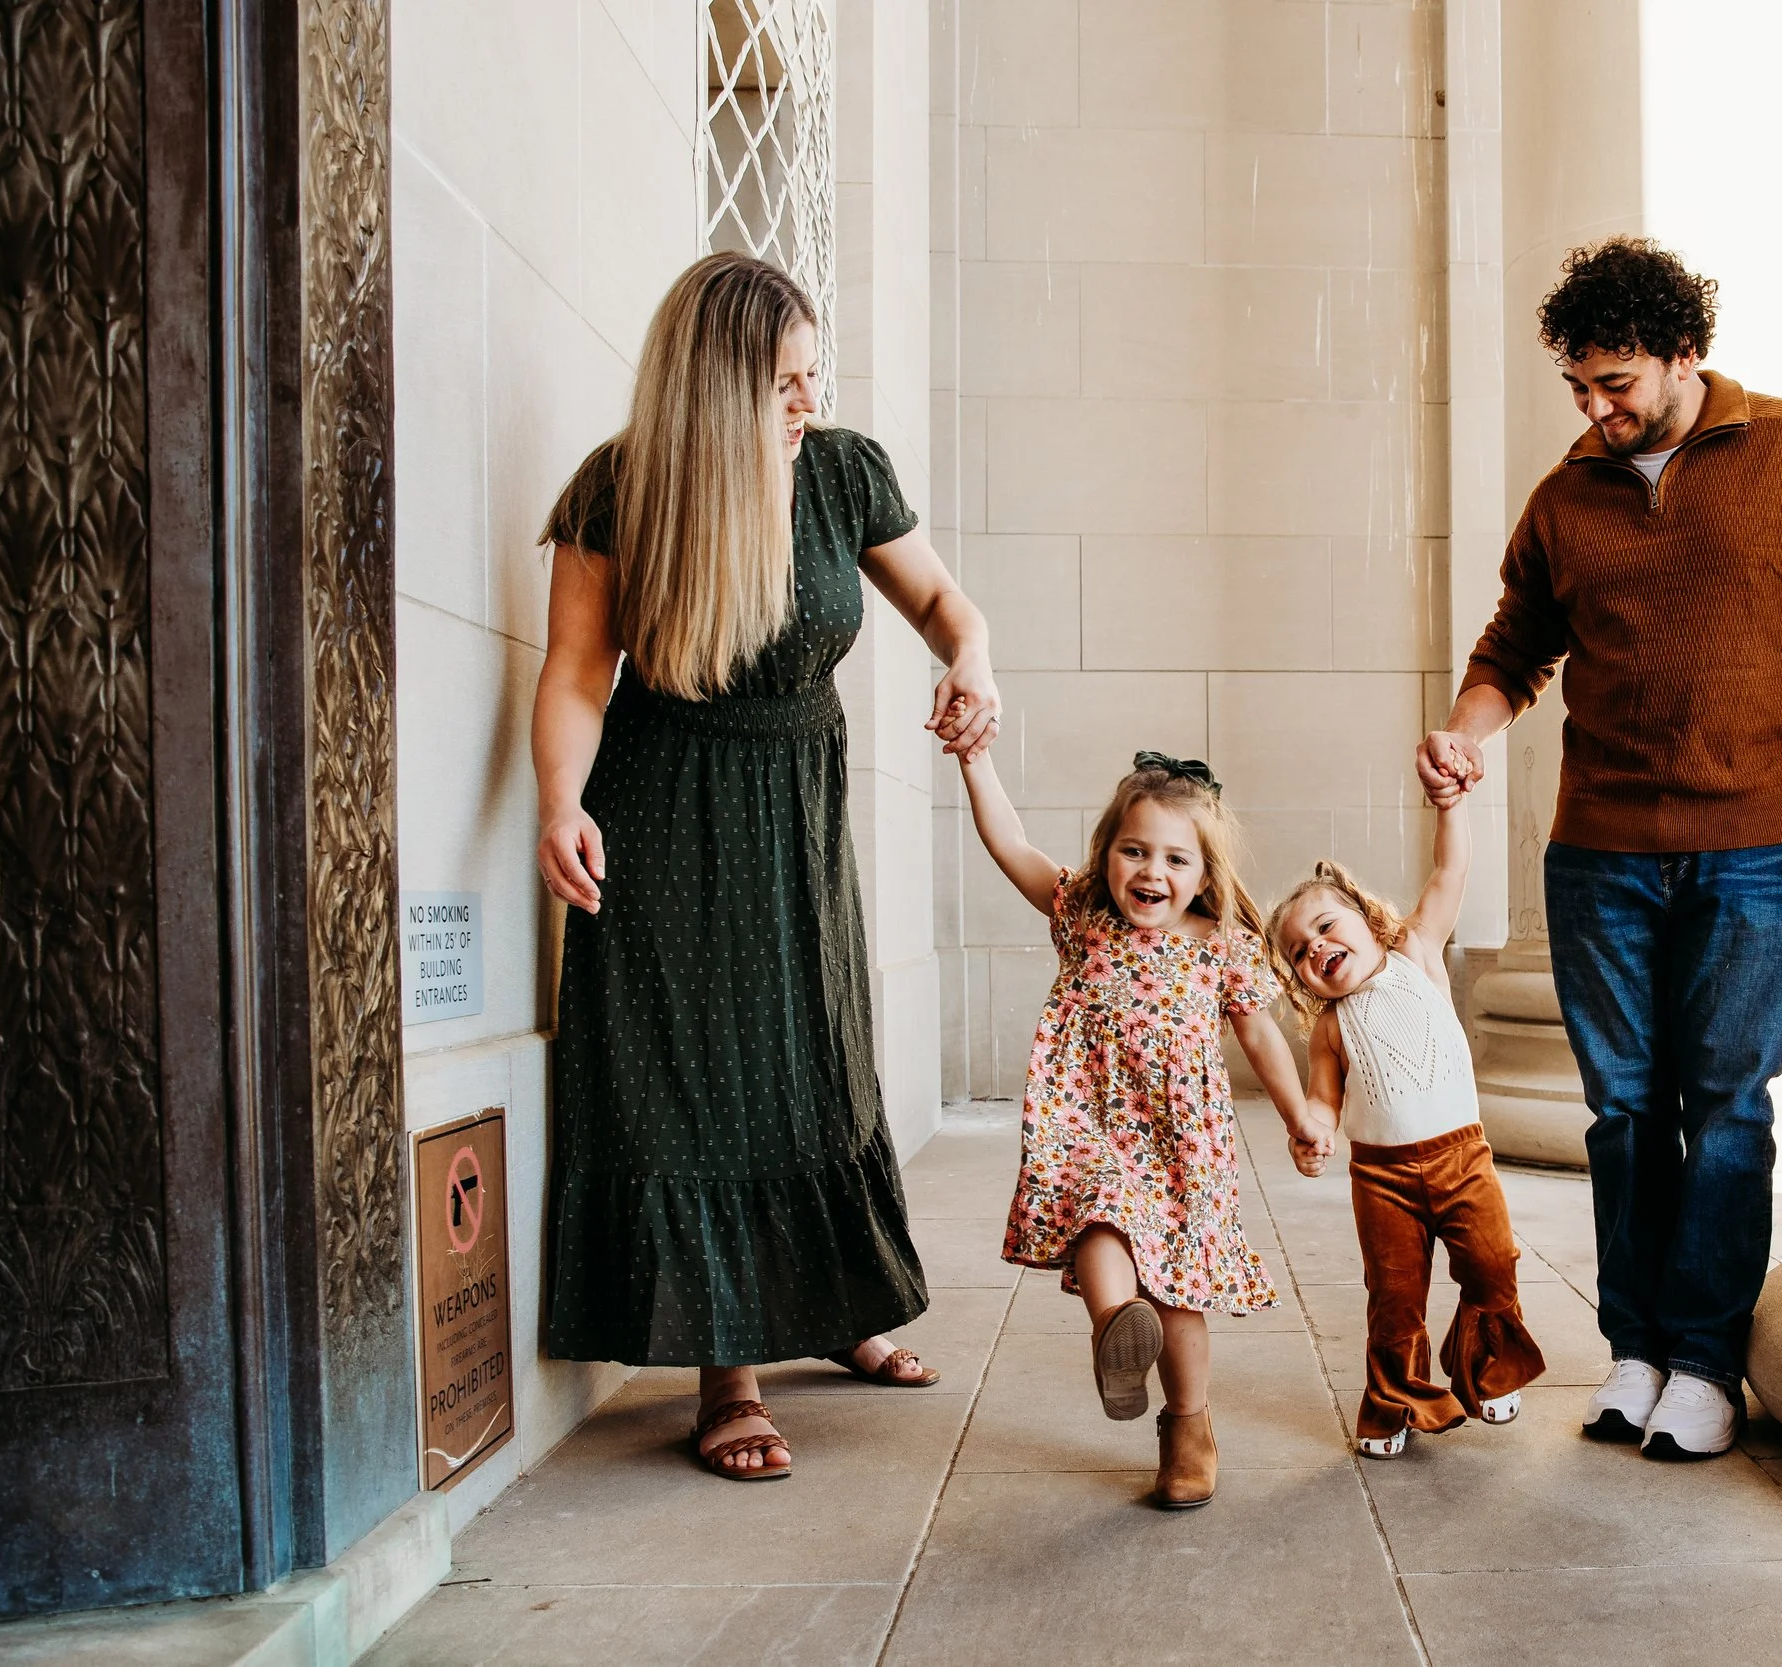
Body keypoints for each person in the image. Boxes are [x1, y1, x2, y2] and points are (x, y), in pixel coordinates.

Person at [1418, 236, 1782, 1460]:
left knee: (1728, 1105)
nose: (1595, 411)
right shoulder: (1566, 496)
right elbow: (1513, 647)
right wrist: (1465, 732)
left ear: (1684, 354)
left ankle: (1704, 1361)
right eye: (1578, 387)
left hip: (1755, 844)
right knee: (1623, 1111)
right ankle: (1635, 1348)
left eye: (1617, 383)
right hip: (1598, 850)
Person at [532, 253, 1001, 1481]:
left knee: (817, 1056)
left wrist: (972, 658)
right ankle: (727, 1372)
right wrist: (558, 801)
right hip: (664, 812)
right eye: (784, 381)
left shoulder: (843, 471)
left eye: (812, 374)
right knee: (701, 1077)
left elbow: (945, 604)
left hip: (796, 800)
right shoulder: (619, 490)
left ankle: (836, 1302)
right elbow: (576, 671)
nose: (808, 399)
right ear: (714, 384)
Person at [956, 748, 1321, 1509]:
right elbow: (1008, 842)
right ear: (1106, 853)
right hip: (1089, 1121)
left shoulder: (1220, 942)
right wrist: (976, 758)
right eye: (1134, 850)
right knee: (1097, 1214)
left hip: (1182, 1142)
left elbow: (1259, 1035)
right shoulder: (1083, 913)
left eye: (1175, 858)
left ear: (1204, 872)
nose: (1152, 870)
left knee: (1178, 1291)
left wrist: (1300, 1117)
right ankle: (1118, 1331)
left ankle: (1187, 1425)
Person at [1267, 800, 1545, 1461]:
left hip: (1463, 1160)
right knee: (1393, 1297)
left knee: (1492, 1267)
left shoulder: (1415, 954)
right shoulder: (1330, 1029)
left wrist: (1450, 805)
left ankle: (1487, 1367)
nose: (1316, 948)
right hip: (1382, 1179)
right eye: (1300, 952)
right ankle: (1393, 1402)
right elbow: (1322, 1102)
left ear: (1368, 919)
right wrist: (1310, 1132)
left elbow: (1451, 868)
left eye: (1326, 927)